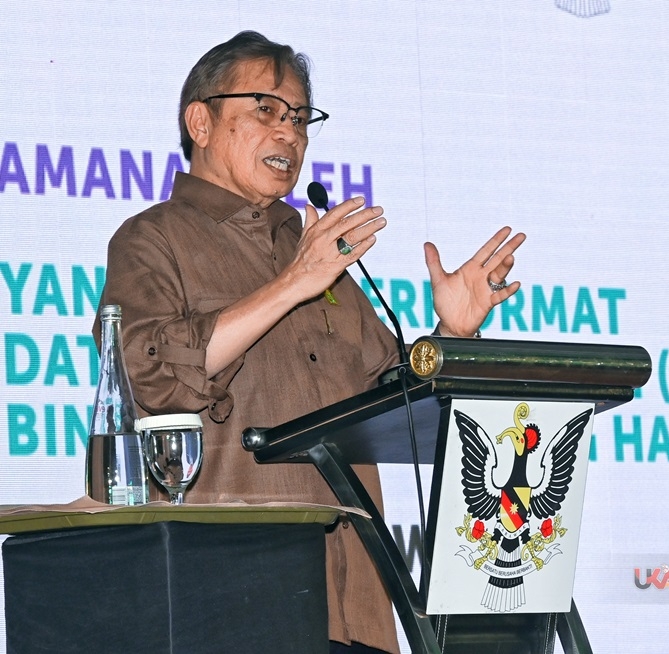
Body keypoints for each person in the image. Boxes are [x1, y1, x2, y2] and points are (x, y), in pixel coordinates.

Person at [96, 31, 525, 654]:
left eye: (299, 118)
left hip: (358, 601)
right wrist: (294, 282)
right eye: (265, 110)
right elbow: (146, 378)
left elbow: (387, 398)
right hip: (232, 599)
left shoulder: (319, 261)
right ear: (201, 121)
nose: (290, 134)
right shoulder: (151, 240)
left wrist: (452, 335)